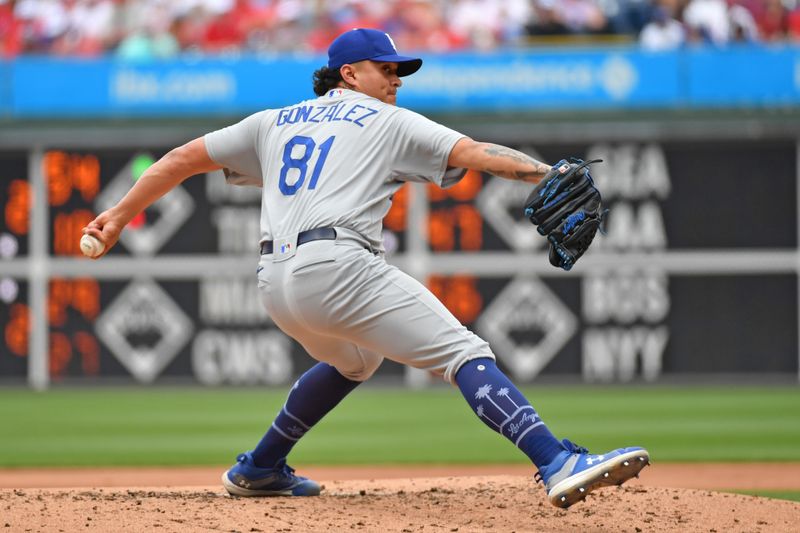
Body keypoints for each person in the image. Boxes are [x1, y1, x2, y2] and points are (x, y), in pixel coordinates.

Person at [83, 28, 649, 509]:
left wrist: (117, 215)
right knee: (464, 352)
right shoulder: (383, 120)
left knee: (356, 361)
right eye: (386, 69)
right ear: (349, 73)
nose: (397, 79)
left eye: (399, 70)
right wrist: (549, 173)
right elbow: (476, 153)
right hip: (338, 265)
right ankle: (555, 461)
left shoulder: (273, 121)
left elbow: (183, 159)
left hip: (275, 284)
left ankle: (260, 467)